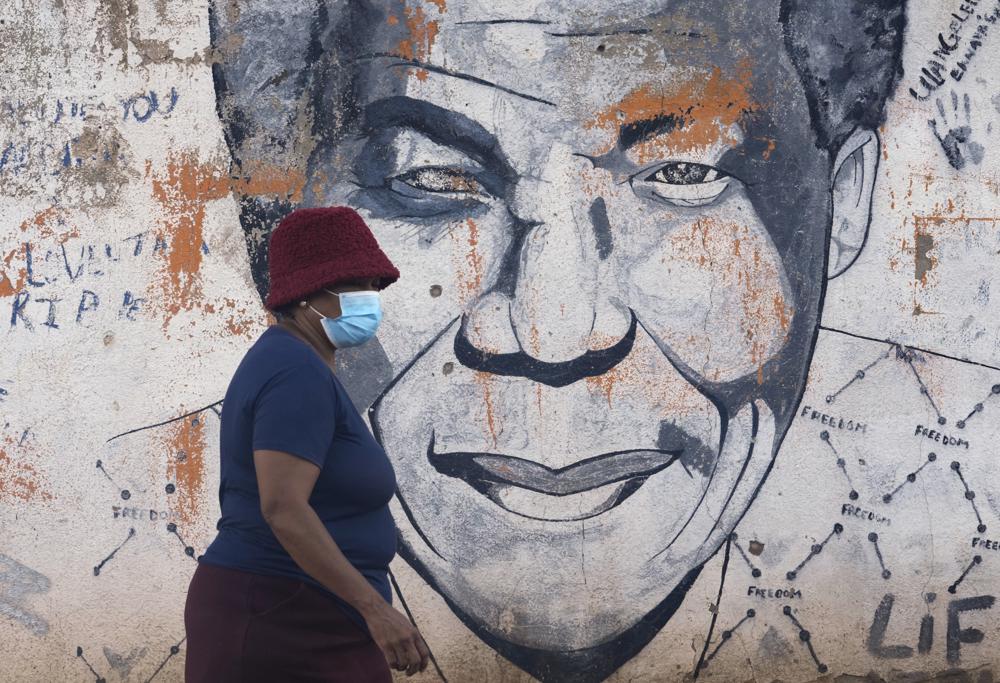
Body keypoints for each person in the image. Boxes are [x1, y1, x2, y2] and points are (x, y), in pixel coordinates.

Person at [181, 0, 911, 679]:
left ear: (841, 207)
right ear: (271, 227)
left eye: (683, 172)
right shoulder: (286, 382)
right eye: (431, 177)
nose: (555, 334)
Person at [183, 206, 430, 681]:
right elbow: (283, 507)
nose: (369, 298)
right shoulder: (294, 371)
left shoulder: (301, 363)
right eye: (352, 286)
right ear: (302, 298)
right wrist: (373, 610)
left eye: (373, 286)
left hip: (310, 612)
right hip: (279, 613)